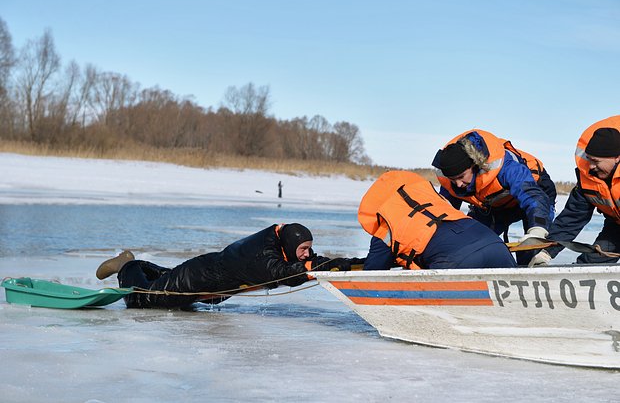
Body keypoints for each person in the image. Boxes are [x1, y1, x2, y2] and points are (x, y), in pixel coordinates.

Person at [96, 223, 354, 309]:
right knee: (145, 299)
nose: (307, 254)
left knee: (165, 280)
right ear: (289, 244)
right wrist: (319, 266)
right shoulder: (264, 255)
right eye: (303, 249)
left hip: (208, 279)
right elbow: (280, 274)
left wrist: (346, 264)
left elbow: (309, 264)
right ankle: (127, 265)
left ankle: (142, 265)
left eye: (309, 249)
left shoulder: (281, 247)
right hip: (198, 278)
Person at [431, 128, 556, 265]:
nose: (458, 184)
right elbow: (443, 215)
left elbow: (533, 197)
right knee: (469, 242)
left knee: (531, 251)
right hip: (495, 205)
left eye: (461, 177)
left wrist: (537, 230)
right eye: (453, 179)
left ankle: (536, 267)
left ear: (474, 166)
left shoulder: (508, 168)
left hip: (535, 194)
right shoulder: (453, 182)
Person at [358, 170, 517, 270]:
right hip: (495, 245)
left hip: (456, 261)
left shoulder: (386, 227)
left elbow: (374, 272)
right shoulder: (436, 202)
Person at [530, 116, 620, 266]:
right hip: (616, 227)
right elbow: (572, 219)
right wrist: (547, 252)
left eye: (596, 161)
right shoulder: (589, 180)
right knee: (590, 264)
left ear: (616, 157)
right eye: (589, 160)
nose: (591, 166)